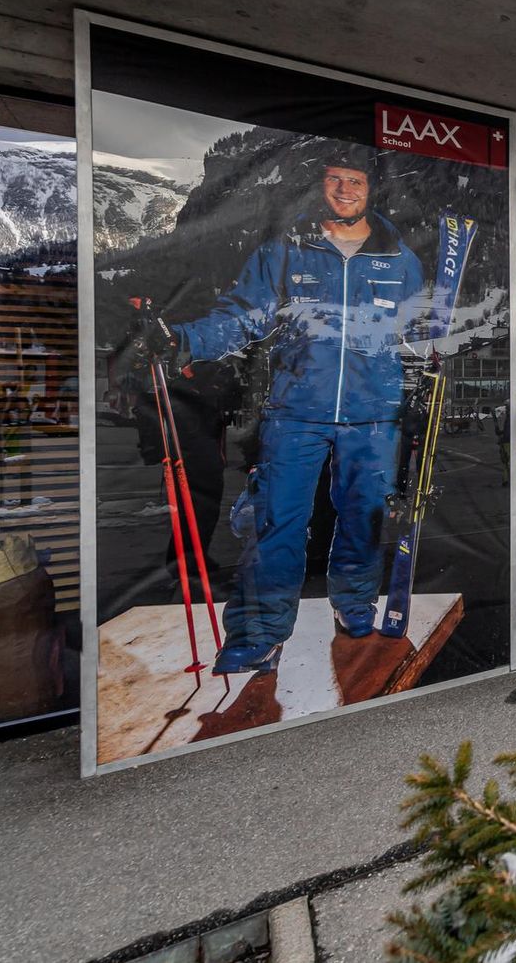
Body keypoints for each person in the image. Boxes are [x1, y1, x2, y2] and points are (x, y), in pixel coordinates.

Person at [131, 149, 424, 675]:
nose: (344, 190)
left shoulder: (401, 261)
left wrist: (440, 344)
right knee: (277, 523)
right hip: (296, 410)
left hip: (373, 413)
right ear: (321, 187)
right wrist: (183, 339)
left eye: (354, 181)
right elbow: (243, 315)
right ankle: (259, 633)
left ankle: (354, 605)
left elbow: (421, 329)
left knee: (364, 517)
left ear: (369, 190)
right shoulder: (288, 252)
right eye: (334, 179)